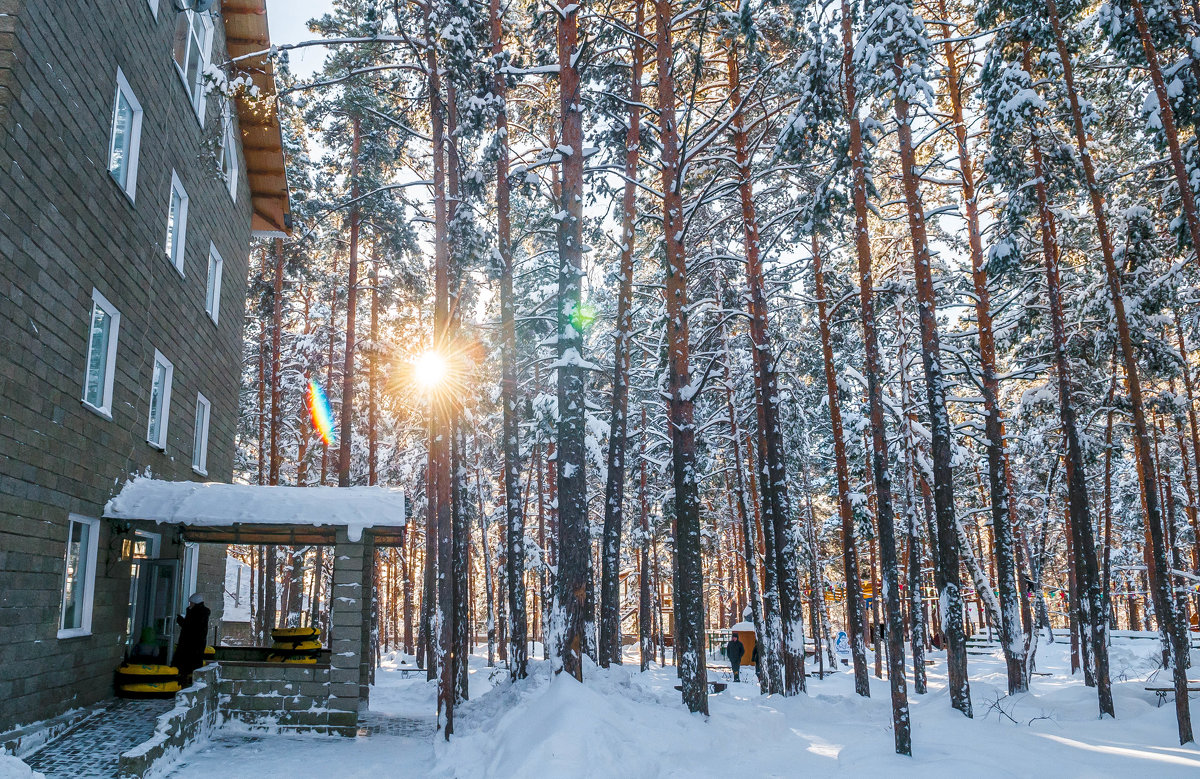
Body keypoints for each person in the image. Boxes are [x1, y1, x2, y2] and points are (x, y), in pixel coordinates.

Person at [172, 593, 210, 685]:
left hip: (189, 643)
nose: (190, 604)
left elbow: (189, 627)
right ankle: (190, 681)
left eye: (191, 603)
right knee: (193, 663)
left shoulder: (195, 613)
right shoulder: (202, 613)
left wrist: (180, 620)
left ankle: (183, 681)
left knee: (185, 663)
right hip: (196, 644)